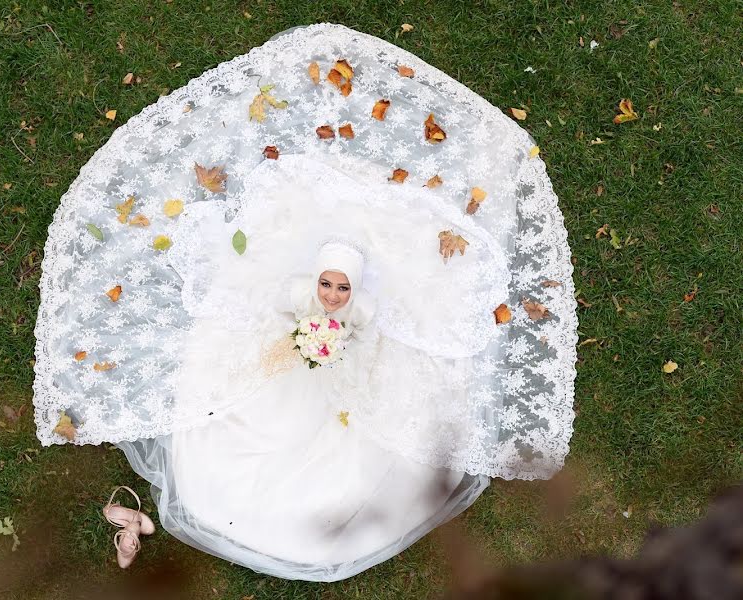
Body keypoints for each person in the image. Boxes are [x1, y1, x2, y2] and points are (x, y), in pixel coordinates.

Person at [32, 23, 578, 581]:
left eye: (341, 288)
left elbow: (369, 340)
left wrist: (344, 352)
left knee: (349, 453)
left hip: (341, 379)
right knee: (251, 421)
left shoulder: (360, 311)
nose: (333, 295)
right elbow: (278, 319)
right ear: (316, 281)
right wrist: (297, 344)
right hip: (294, 365)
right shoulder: (300, 296)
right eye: (328, 285)